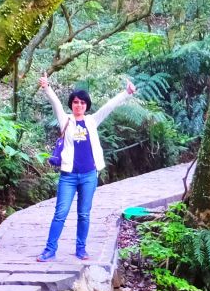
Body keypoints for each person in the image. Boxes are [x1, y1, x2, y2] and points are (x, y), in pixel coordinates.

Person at [37, 72, 137, 261]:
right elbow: (55, 103)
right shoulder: (65, 120)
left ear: (86, 105)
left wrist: (126, 93)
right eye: (76, 102)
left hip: (89, 175)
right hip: (68, 176)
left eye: (82, 103)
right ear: (72, 104)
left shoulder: (92, 121)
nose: (79, 105)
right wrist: (46, 87)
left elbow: (109, 107)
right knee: (61, 213)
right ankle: (50, 249)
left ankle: (81, 249)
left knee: (84, 214)